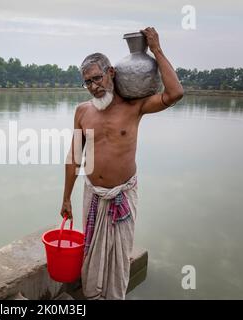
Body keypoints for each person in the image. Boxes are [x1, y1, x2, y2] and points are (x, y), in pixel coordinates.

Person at [60, 27, 184, 299]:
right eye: (87, 82)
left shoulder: (134, 106)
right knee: (92, 255)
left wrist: (157, 50)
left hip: (122, 196)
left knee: (118, 258)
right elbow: (73, 158)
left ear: (111, 73)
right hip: (93, 195)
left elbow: (174, 94)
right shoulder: (82, 112)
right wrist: (66, 198)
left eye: (97, 78)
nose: (94, 86)